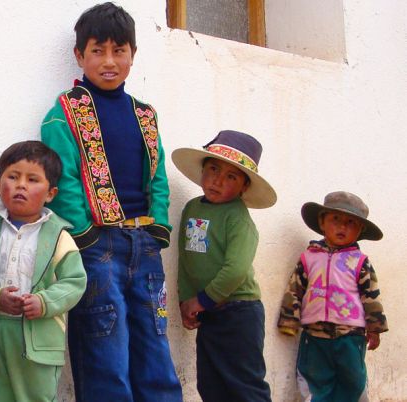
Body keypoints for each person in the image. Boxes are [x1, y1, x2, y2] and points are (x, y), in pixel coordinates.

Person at [40, 2, 182, 400]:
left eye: (119, 51)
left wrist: (157, 229)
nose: (108, 61)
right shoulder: (65, 112)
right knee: (105, 350)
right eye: (97, 50)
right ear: (79, 56)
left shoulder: (145, 115)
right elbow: (63, 179)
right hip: (97, 246)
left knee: (155, 346)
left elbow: (157, 174)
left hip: (144, 246)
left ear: (132, 55)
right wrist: (84, 236)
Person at [0, 141, 86, 402]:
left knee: (36, 397)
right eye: (13, 177)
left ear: (51, 193)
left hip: (39, 341)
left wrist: (44, 302)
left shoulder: (59, 236)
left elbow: (75, 282)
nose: (21, 185)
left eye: (33, 180)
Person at [172, 130, 276, 402]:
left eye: (231, 176)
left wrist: (202, 300)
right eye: (213, 169)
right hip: (209, 312)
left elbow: (236, 269)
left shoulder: (237, 217)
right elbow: (186, 259)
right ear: (202, 170)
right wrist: (186, 300)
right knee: (211, 384)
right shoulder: (193, 208)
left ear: (244, 187)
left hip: (239, 312)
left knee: (244, 384)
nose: (218, 180)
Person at [278, 191, 387, 402]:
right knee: (315, 383)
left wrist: (375, 328)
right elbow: (295, 289)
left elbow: (371, 296)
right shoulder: (309, 257)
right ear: (322, 222)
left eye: (350, 222)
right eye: (335, 219)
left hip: (350, 336)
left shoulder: (360, 261)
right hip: (314, 337)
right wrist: (289, 320)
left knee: (353, 383)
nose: (342, 226)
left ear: (360, 230)